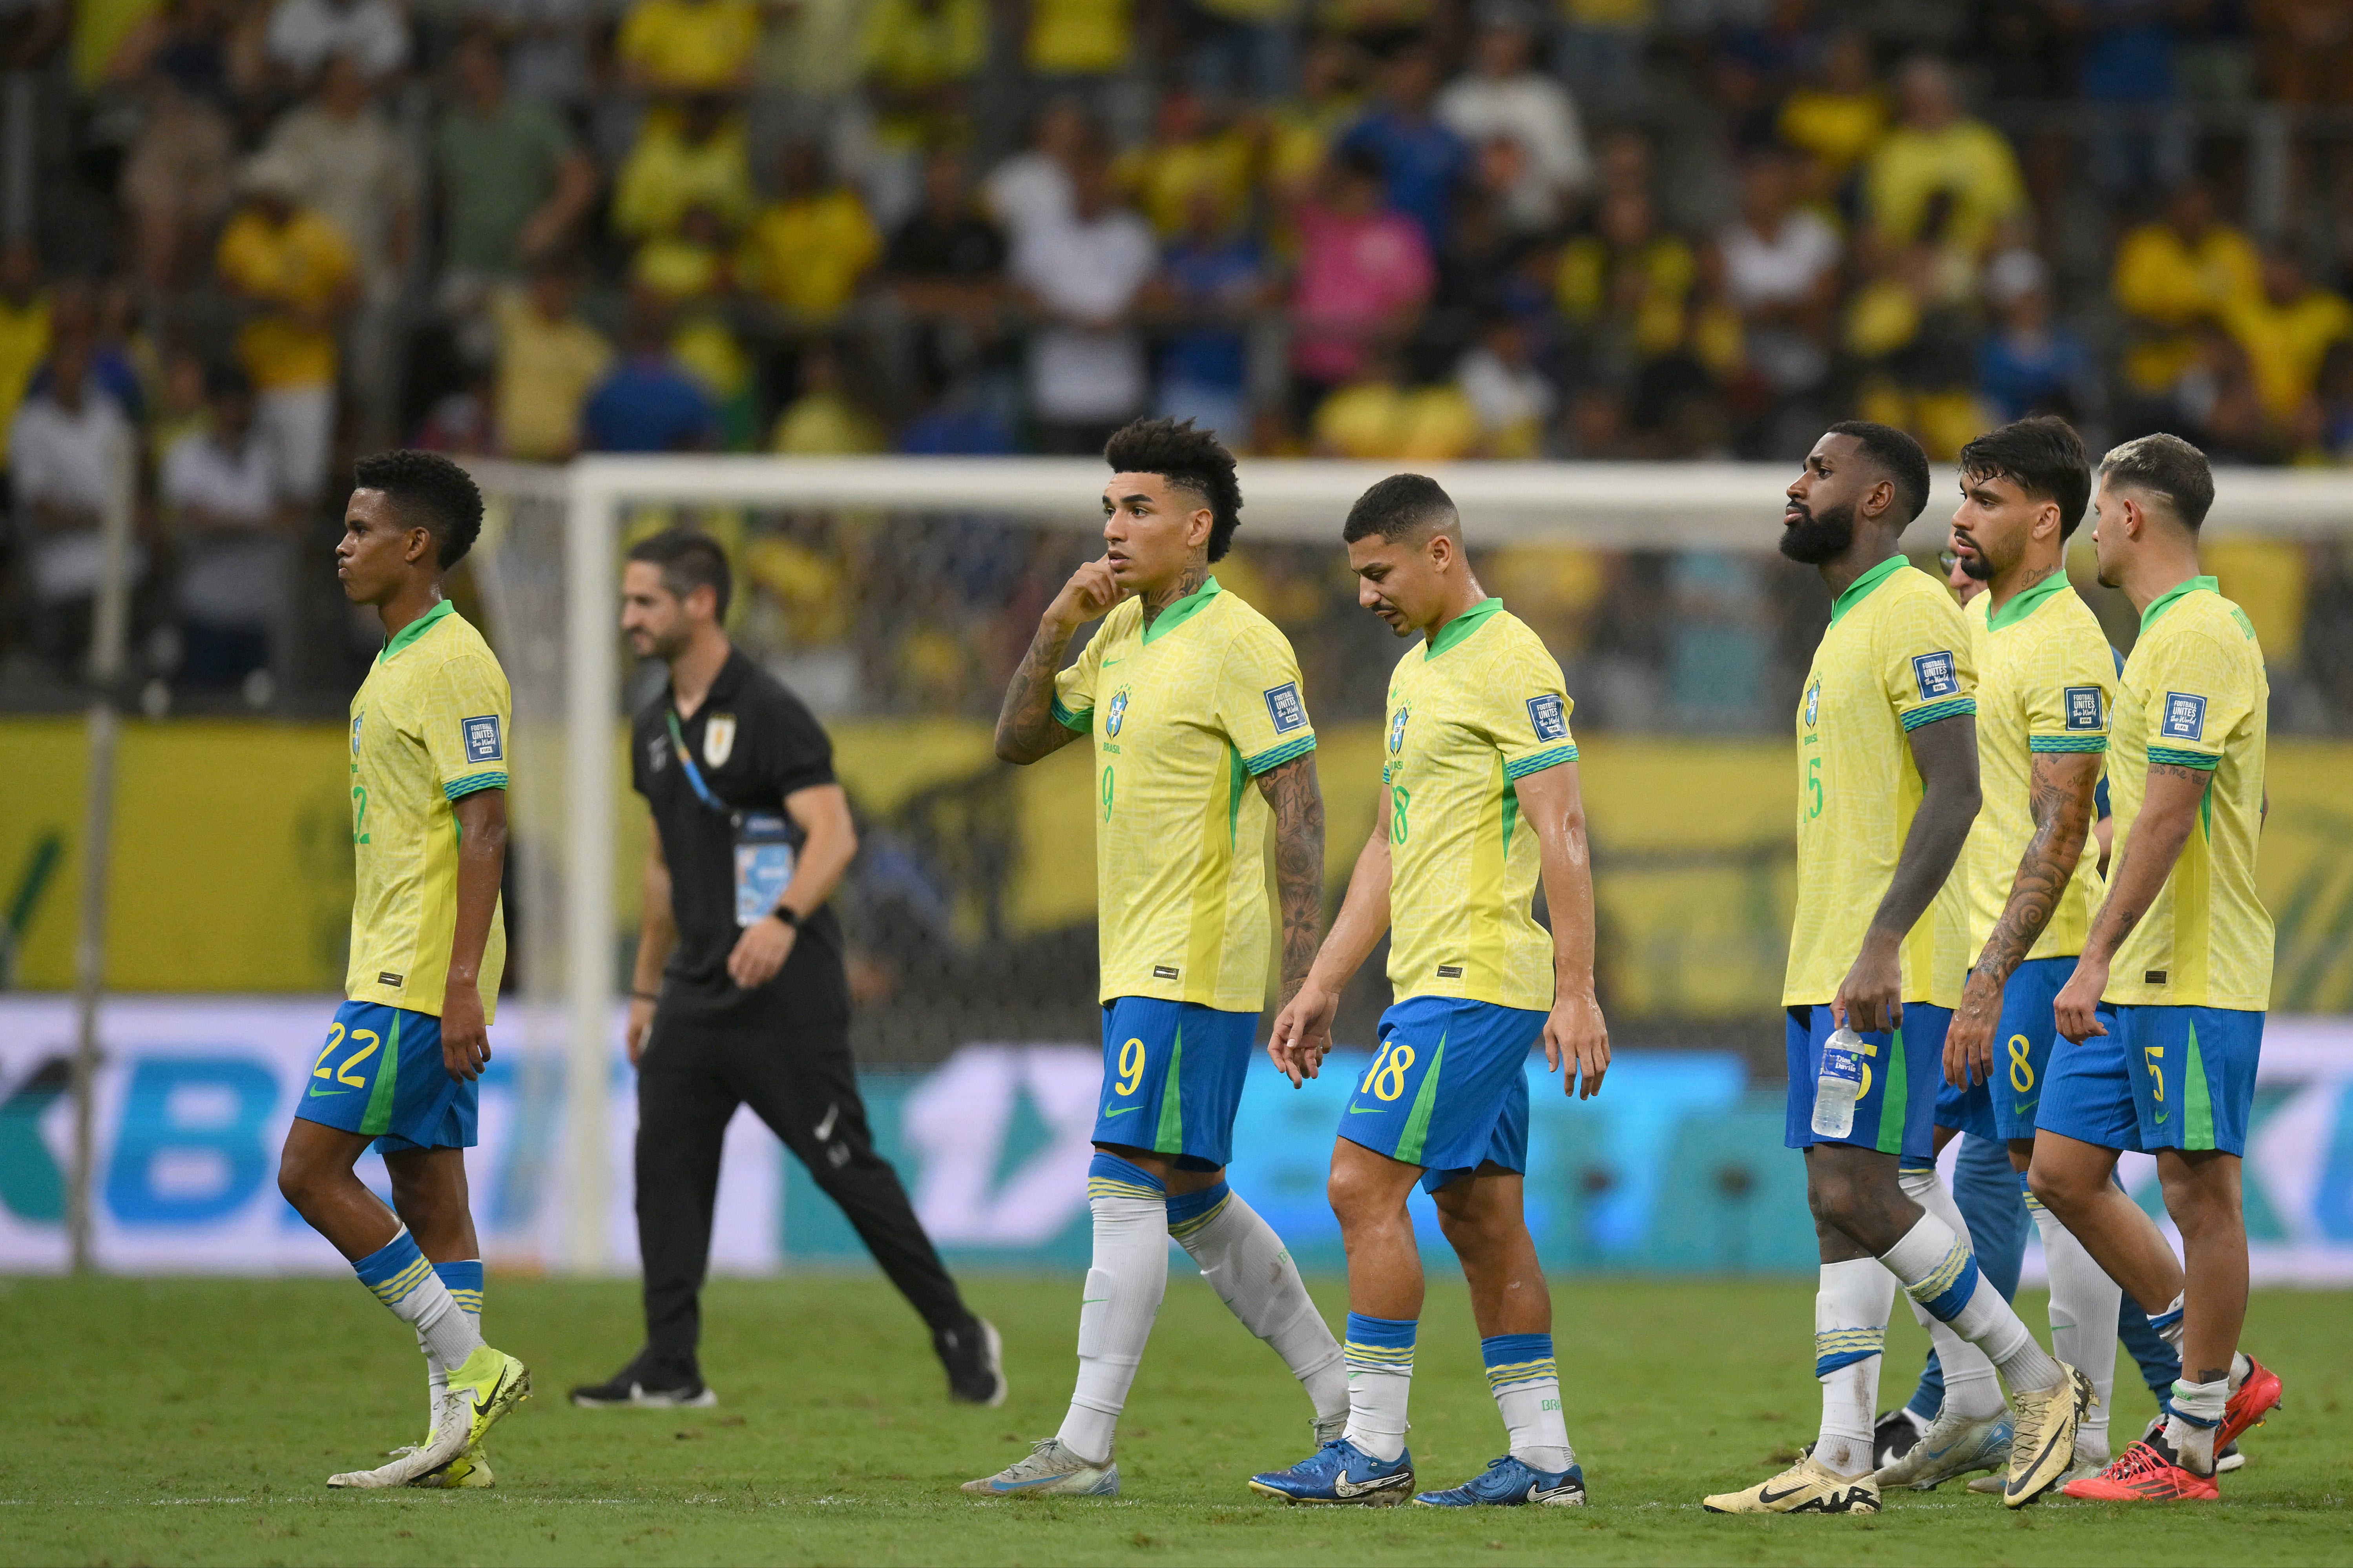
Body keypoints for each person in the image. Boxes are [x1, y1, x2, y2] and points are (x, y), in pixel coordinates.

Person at [1703, 422, 2089, 1517]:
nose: (1795, 485)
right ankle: (1836, 1457)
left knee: (1856, 1188)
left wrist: (1880, 942)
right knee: (1835, 1207)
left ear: (1877, 499)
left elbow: (1958, 789)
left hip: (1886, 960)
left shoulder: (1916, 610)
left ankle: (2030, 1382)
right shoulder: (1847, 623)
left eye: (1818, 472)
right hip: (1828, 958)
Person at [964, 418, 1343, 1498]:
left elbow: (1299, 801)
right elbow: (1017, 739)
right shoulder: (1121, 633)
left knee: (1120, 1184)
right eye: (1107, 509)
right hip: (1135, 954)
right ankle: (1343, 1403)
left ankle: (1084, 1445)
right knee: (1191, 1195)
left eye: (1136, 509)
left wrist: (1304, 972)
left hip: (1193, 955)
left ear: (1197, 525)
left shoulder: (1243, 642)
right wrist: (1055, 622)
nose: (1114, 528)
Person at [575, 527, 1004, 1409]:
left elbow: (833, 833)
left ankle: (958, 1328)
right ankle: (670, 1362)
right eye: (625, 602)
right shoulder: (653, 725)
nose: (628, 619)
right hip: (695, 988)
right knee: (665, 1165)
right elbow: (662, 867)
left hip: (783, 993)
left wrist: (779, 920)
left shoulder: (769, 709)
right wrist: (647, 987)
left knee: (845, 1165)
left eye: (643, 602)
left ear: (700, 603)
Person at [1247, 472, 1607, 1510]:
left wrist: (1573, 989)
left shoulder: (1510, 659)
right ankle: (1543, 1461)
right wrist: (1321, 982)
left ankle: (1372, 1447)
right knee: (1479, 1214)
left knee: (1360, 1184)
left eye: (1377, 571)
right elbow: (1387, 846)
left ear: (1439, 550)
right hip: (1434, 979)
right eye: (1355, 575)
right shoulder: (1419, 673)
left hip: (1476, 979)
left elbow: (1564, 828)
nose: (1364, 593)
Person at [1867, 416, 2119, 1492]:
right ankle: (1974, 1397)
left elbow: (2075, 821)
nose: (1955, 518)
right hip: (1973, 952)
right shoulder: (1988, 628)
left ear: (2044, 518)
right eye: (1958, 498)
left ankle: (2091, 1415)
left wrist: (1999, 972)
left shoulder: (2065, 642)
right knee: (1937, 1164)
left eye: (1979, 500)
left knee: (2042, 1176)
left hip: (2038, 954)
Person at [272, 450, 530, 1489]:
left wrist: (461, 982)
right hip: (402, 961)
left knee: (308, 1170)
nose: (342, 544)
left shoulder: (455, 659)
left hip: (416, 976)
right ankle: (452, 1444)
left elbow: (486, 827)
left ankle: (472, 1365)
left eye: (359, 527)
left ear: (414, 544)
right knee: (428, 1188)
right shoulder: (397, 658)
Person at [2038, 434, 2285, 1501]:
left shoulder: (2195, 638)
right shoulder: (2162, 641)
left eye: (2096, 512)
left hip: (2187, 969)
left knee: (2197, 1189)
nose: (2090, 530)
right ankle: (2221, 1375)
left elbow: (2174, 812)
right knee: (2061, 1169)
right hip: (2142, 965)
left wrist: (2090, 954)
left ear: (2132, 516)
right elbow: (2230, 798)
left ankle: (2186, 1446)